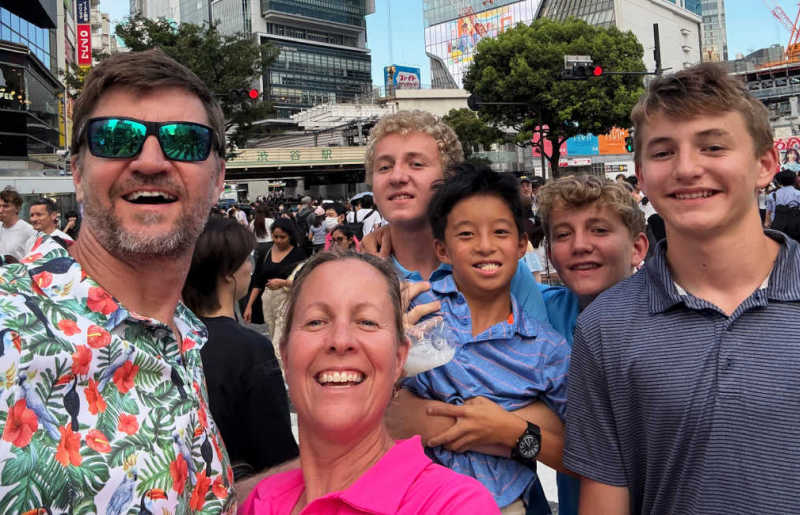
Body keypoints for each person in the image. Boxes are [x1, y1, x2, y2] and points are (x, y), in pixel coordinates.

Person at [0, 49, 235, 512]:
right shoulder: (9, 325)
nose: (150, 161)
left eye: (185, 142)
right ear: (77, 174)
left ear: (218, 179)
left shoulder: (184, 339)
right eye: (115, 138)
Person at [564, 63, 800, 513]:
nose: (687, 169)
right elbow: (605, 499)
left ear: (765, 164)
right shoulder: (604, 328)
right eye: (663, 152)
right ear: (642, 174)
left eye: (713, 146)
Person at [240, 251, 500, 514]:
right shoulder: (261, 501)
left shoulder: (454, 506)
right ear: (285, 354)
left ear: (399, 358)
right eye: (316, 321)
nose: (340, 340)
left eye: (367, 322)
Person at [396, 164, 570, 514]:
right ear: (442, 250)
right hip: (408, 495)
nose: (485, 246)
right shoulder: (416, 310)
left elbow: (582, 453)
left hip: (502, 503)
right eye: (466, 235)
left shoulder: (546, 349)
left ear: (522, 245)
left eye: (501, 232)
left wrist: (511, 433)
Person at [362, 110, 550, 325]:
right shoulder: (357, 277)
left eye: (416, 164)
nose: (397, 177)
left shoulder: (498, 268)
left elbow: (541, 352)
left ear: (450, 178)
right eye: (384, 167)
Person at [535, 174, 649, 515]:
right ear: (551, 254)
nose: (580, 245)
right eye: (563, 235)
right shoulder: (538, 313)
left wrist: (515, 432)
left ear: (637, 248)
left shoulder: (671, 321)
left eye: (599, 230)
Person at [182, 216, 298, 480]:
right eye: (246, 260)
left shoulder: (169, 335)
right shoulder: (250, 349)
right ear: (228, 273)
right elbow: (278, 452)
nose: (250, 268)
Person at [243, 218, 306, 347]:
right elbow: (258, 281)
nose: (278, 240)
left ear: (290, 236)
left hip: (288, 301)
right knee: (274, 335)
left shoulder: (298, 254)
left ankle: (283, 365)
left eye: (282, 237)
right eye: (275, 236)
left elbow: (305, 282)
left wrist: (283, 283)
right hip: (268, 302)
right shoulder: (266, 252)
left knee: (280, 340)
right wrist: (249, 305)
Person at [0, 187, 35, 261]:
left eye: (5, 206)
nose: (0, 210)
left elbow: (33, 261)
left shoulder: (29, 231)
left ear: (17, 208)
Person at [764, 169, 800, 240]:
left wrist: (767, 225)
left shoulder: (772, 195)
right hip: (795, 228)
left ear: (780, 181)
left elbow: (768, 213)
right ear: (794, 180)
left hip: (777, 227)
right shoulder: (798, 194)